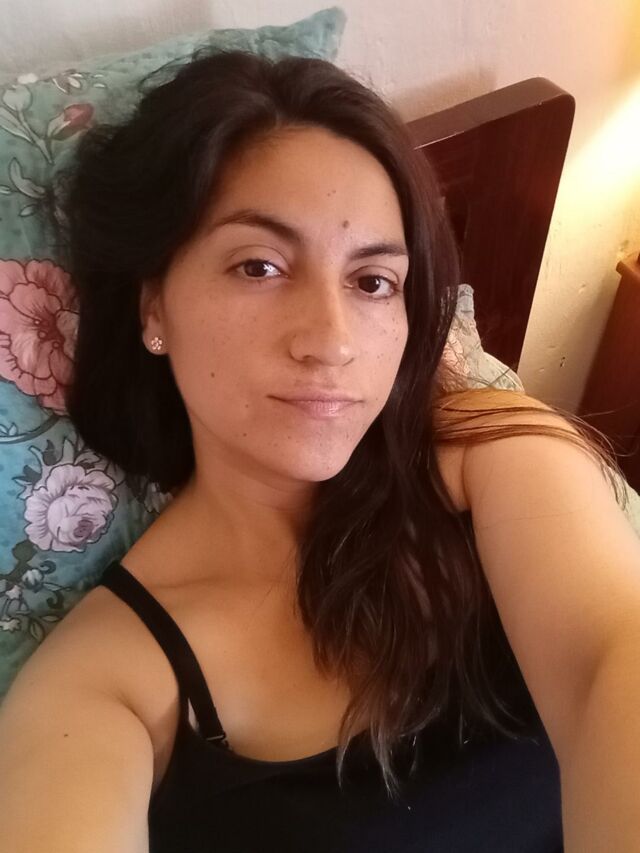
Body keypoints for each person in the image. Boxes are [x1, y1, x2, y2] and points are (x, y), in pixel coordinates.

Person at [0, 48, 627, 852]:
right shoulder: (105, 682)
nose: (332, 341)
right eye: (259, 266)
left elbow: (611, 659)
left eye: (372, 282)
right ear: (152, 303)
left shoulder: (493, 457)